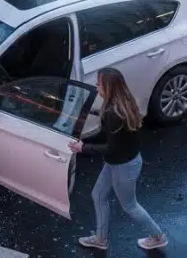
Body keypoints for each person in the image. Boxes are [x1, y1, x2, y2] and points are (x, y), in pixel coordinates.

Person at [68, 67, 168, 251]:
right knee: (98, 195)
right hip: (120, 161)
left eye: (99, 83)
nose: (96, 86)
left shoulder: (114, 113)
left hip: (123, 166)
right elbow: (113, 138)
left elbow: (112, 146)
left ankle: (158, 236)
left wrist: (83, 147)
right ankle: (100, 239)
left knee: (130, 205)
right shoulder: (124, 102)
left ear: (108, 87)